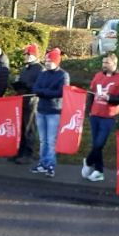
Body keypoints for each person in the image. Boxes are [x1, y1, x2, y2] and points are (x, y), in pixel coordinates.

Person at [81, 51, 119, 183]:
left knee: (99, 144)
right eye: (103, 62)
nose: (104, 65)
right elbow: (91, 94)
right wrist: (89, 111)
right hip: (95, 115)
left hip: (109, 116)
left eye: (107, 63)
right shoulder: (98, 76)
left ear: (114, 63)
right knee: (96, 144)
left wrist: (109, 98)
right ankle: (99, 171)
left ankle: (88, 161)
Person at [31, 48, 69, 178]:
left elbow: (62, 92)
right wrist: (45, 92)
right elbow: (35, 88)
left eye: (50, 60)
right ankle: (42, 163)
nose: (47, 63)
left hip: (54, 111)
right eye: (46, 60)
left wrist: (44, 92)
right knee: (43, 140)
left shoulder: (63, 75)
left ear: (57, 61)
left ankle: (50, 164)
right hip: (41, 110)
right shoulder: (43, 73)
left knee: (51, 140)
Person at [11, 44, 44, 164]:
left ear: (32, 55)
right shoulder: (25, 68)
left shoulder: (40, 69)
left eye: (26, 54)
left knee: (29, 128)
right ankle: (20, 152)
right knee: (21, 127)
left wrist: (28, 87)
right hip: (22, 100)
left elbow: (40, 87)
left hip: (32, 102)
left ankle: (28, 154)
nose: (24, 56)